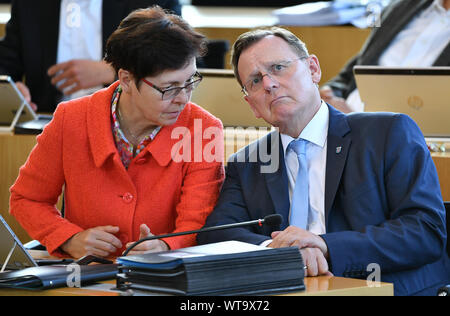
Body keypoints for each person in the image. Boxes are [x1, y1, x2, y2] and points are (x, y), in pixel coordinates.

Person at [197, 27, 450, 296]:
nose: (269, 84)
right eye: (255, 81)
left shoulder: (387, 133)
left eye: (279, 67)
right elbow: (217, 235)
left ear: (313, 69)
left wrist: (324, 245)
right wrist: (281, 251)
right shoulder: (247, 162)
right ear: (251, 105)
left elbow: (425, 231)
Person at [9, 6, 225, 259]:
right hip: (83, 277)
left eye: (190, 82)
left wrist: (167, 247)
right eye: (169, 88)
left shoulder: (203, 128)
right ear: (126, 79)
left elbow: (196, 221)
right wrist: (69, 238)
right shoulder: (72, 118)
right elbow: (27, 199)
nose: (183, 98)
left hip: (163, 279)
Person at [0, 0, 181, 112]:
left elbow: (180, 62)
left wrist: (113, 71)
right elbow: (5, 64)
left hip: (126, 124)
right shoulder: (29, 4)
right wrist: (12, 92)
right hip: (47, 124)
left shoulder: (152, 2)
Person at [320, 0, 450, 113]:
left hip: (408, 134)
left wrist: (360, 123)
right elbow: (351, 72)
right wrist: (329, 93)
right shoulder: (401, 6)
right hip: (342, 120)